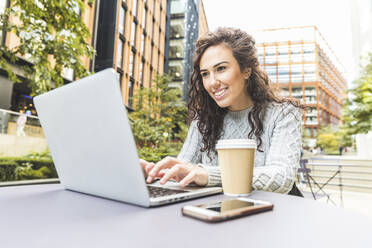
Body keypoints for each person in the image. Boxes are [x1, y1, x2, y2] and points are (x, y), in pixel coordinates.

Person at [140, 27, 305, 195]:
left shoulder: (283, 114)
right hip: (218, 214)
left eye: (221, 69)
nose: (212, 83)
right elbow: (185, 170)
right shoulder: (203, 121)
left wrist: (210, 175)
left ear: (246, 70)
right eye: (205, 74)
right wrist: (155, 174)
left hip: (270, 214)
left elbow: (281, 178)